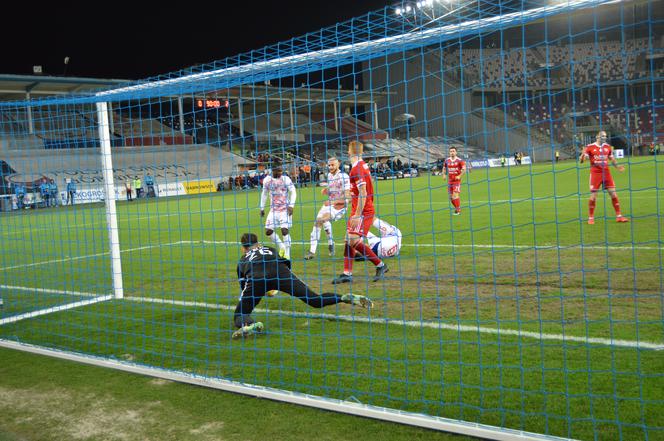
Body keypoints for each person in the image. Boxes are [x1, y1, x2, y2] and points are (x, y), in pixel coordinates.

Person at [232, 233, 373, 339]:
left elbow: (244, 287)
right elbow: (286, 263)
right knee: (314, 300)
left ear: (243, 248)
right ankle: (343, 297)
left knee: (240, 313)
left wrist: (261, 292)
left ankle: (249, 324)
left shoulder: (242, 260)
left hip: (256, 279)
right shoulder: (270, 249)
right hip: (281, 272)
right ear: (258, 243)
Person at [331, 141, 388, 284]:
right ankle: (347, 273)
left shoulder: (356, 169)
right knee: (348, 239)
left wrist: (357, 214)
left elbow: (362, 192)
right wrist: (341, 201)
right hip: (360, 208)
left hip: (362, 211)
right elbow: (361, 191)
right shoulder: (362, 166)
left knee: (353, 240)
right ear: (361, 152)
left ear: (349, 152)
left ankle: (381, 265)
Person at [304, 157, 350, 260]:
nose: (330, 167)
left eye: (333, 165)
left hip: (339, 207)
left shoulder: (344, 177)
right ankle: (328, 244)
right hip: (328, 204)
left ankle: (313, 251)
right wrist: (327, 190)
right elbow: (332, 189)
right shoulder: (329, 175)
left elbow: (348, 197)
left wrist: (333, 201)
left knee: (321, 220)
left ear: (338, 164)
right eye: (329, 165)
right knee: (318, 222)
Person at [579, 130, 629, 224]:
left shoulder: (607, 147)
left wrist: (618, 167)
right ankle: (591, 218)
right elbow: (582, 161)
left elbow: (612, 159)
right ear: (597, 137)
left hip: (606, 173)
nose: (604, 138)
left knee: (613, 194)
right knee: (593, 196)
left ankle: (619, 216)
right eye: (602, 136)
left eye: (605, 136)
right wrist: (582, 155)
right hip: (595, 173)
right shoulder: (590, 147)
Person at [260, 162, 297, 260]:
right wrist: (262, 208)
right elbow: (264, 194)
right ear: (273, 170)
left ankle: (287, 255)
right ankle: (282, 247)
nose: (281, 172)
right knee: (268, 231)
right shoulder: (267, 180)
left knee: (284, 230)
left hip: (285, 209)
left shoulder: (286, 179)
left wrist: (291, 206)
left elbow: (293, 191)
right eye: (279, 170)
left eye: (281, 170)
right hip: (273, 210)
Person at [443, 146, 466, 215]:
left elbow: (464, 169)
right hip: (450, 181)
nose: (452, 152)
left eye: (453, 151)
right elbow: (444, 168)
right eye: (451, 151)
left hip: (456, 181)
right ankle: (457, 208)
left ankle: (458, 210)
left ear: (456, 152)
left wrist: (459, 176)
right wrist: (444, 174)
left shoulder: (460, 160)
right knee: (451, 198)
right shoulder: (447, 160)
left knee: (455, 195)